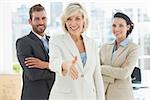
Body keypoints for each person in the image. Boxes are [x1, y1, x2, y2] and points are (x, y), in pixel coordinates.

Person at [28, 2, 105, 100]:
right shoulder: (57, 40)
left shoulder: (92, 43)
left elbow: (97, 76)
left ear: (83, 21)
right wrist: (64, 65)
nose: (73, 23)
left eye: (77, 18)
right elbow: (53, 62)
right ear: (65, 22)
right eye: (69, 19)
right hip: (64, 96)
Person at [16, 4, 55, 100]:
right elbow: (33, 74)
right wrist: (59, 71)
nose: (41, 22)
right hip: (34, 96)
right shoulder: (23, 42)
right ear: (30, 21)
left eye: (43, 18)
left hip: (54, 95)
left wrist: (45, 65)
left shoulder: (53, 42)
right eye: (37, 19)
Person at [99, 12, 140, 100]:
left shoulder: (133, 48)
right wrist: (117, 71)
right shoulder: (104, 47)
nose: (116, 29)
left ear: (128, 27)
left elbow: (124, 74)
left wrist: (101, 68)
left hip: (122, 96)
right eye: (114, 25)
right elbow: (94, 70)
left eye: (121, 25)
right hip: (102, 93)